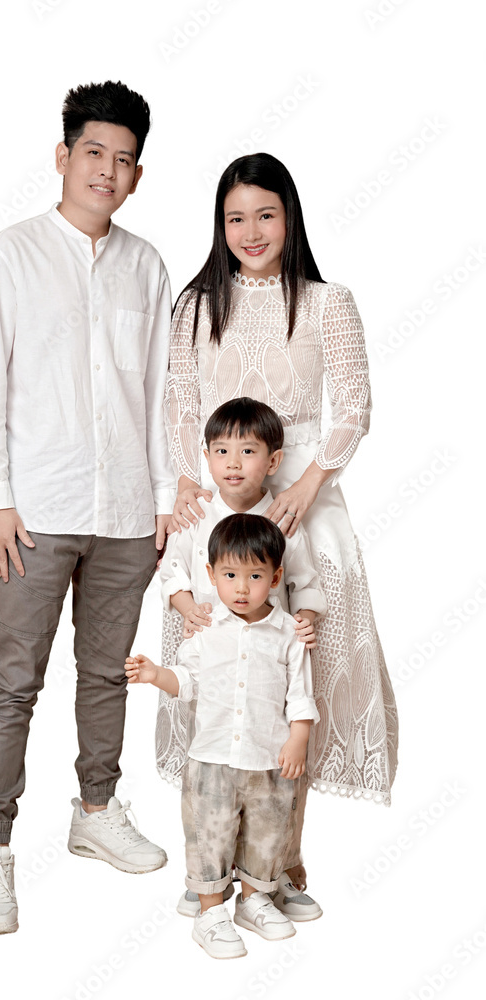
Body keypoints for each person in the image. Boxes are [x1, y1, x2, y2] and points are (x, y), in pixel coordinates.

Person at [0, 80, 176, 935]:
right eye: (93, 152)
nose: (106, 171)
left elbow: (159, 393)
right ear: (62, 156)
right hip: (34, 512)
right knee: (14, 680)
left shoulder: (146, 265)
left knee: (106, 673)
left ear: (137, 175)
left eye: (123, 160)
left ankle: (96, 811)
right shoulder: (9, 256)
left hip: (125, 512)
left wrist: (163, 500)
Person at [159, 151, 399, 893]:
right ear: (219, 225)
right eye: (235, 218)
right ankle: (213, 863)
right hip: (220, 502)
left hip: (301, 506)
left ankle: (281, 858)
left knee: (296, 676)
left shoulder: (327, 302)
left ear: (289, 216)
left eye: (265, 214)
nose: (251, 231)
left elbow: (353, 406)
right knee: (223, 673)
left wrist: (309, 483)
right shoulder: (197, 304)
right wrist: (188, 483)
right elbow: (180, 402)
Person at [158, 395, 326, 921]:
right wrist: (188, 609)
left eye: (248, 451)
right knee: (214, 770)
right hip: (213, 658)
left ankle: (272, 873)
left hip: (268, 659)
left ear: (272, 461)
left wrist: (306, 619)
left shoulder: (281, 518)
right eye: (221, 451)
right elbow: (172, 573)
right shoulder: (195, 515)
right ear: (206, 456)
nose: (233, 463)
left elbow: (305, 583)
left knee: (272, 773)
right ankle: (208, 875)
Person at [127, 513, 320, 959]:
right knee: (208, 836)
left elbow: (300, 694)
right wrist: (157, 675)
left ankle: (254, 901)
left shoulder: (289, 633)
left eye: (255, 576)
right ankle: (211, 911)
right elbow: (188, 680)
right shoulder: (205, 628)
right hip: (211, 758)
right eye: (230, 575)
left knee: (267, 834)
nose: (241, 588)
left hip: (269, 758)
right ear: (211, 575)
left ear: (275, 578)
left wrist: (298, 739)